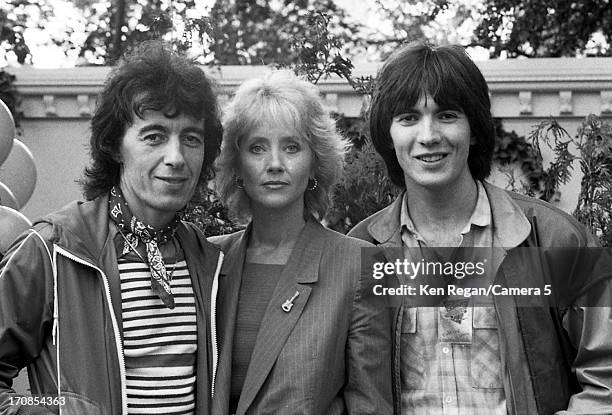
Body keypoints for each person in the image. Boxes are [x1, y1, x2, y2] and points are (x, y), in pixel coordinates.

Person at [348, 41, 612, 414]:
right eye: (408, 118)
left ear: (474, 128)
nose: (428, 135)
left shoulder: (557, 240)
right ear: (388, 136)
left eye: (447, 115)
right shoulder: (359, 252)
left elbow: (606, 375)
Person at [0, 41, 224, 415]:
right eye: (154, 136)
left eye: (191, 138)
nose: (176, 157)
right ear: (116, 146)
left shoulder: (207, 261)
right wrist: (53, 408)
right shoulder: (55, 248)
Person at [210, 70, 393, 415]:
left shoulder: (359, 265)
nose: (275, 164)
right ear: (237, 166)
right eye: (257, 148)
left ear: (314, 164)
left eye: (291, 147)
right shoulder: (209, 259)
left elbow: (370, 404)